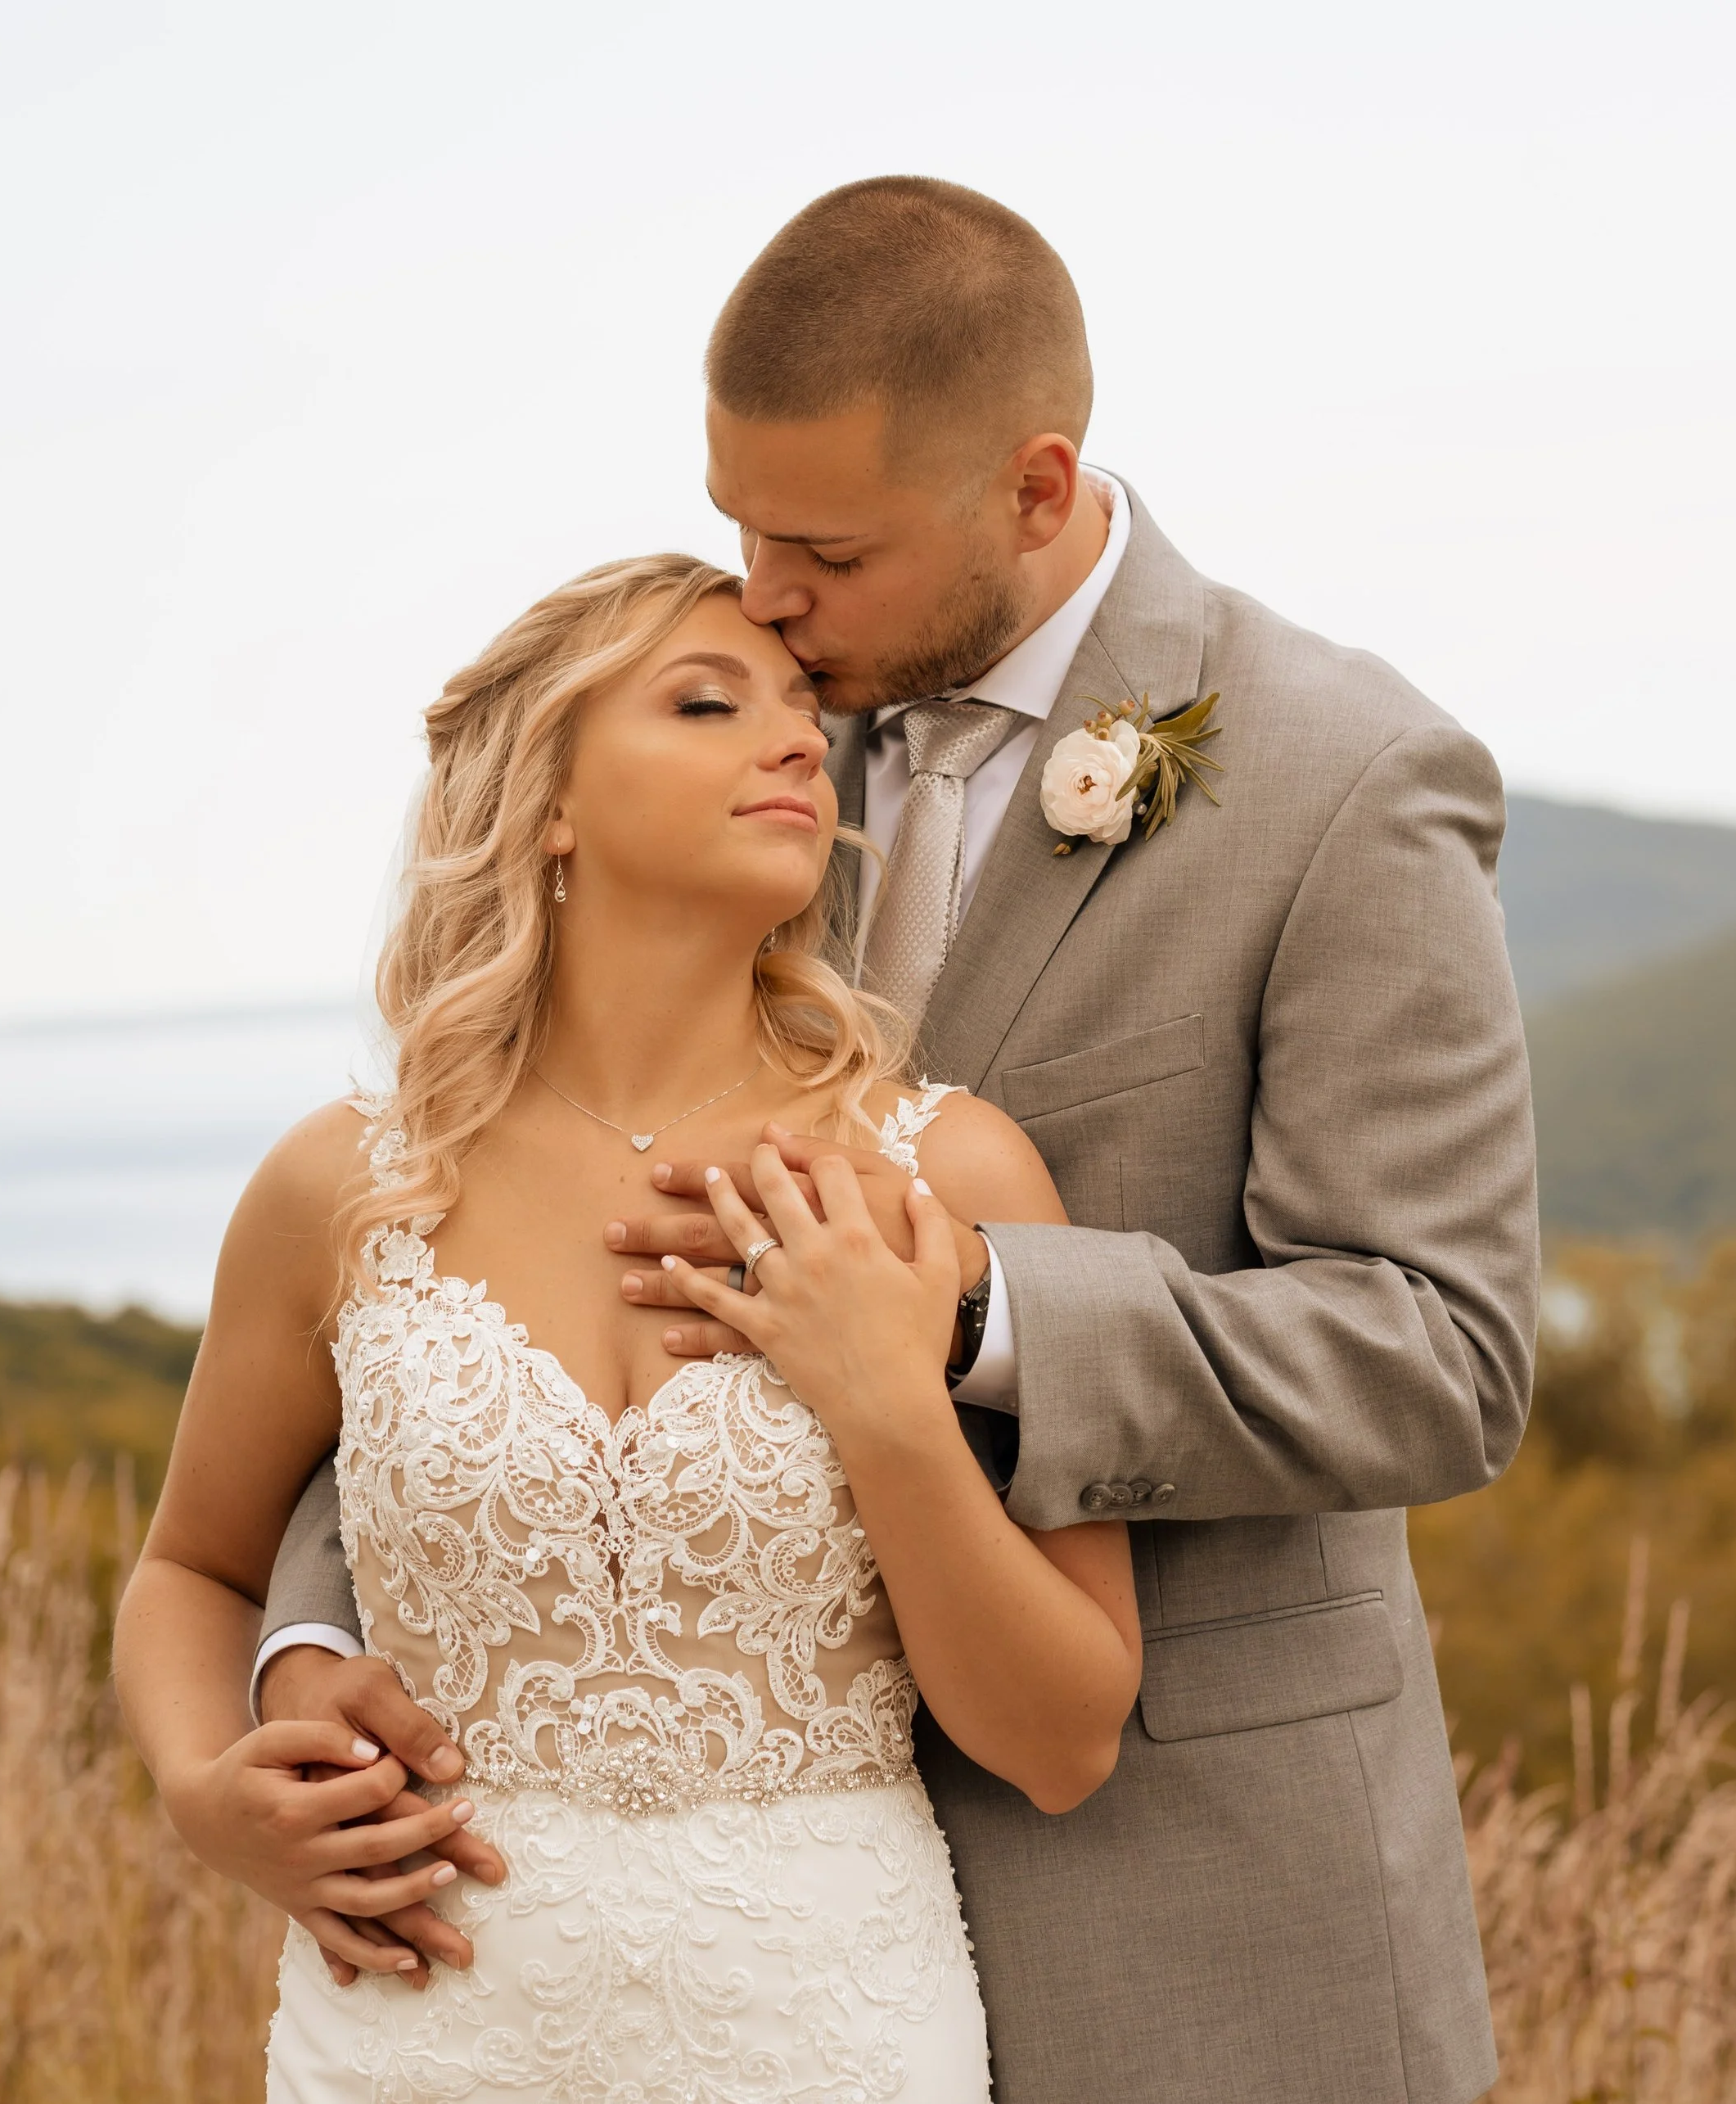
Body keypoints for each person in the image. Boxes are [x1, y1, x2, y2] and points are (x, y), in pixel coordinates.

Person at [235, 178, 1541, 2102]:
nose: (762, 592)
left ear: (1031, 488)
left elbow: (1444, 1350)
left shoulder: (1342, 778)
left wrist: (968, 1315)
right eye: (737, 526)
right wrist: (299, 1650)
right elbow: (483, 1298)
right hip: (733, 1939)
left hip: (1196, 1895)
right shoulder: (758, 737)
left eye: (820, 547)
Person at [113, 553, 1144, 2102]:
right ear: (551, 803)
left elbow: (1065, 1738)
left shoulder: (944, 1171)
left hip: (829, 2031)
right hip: (416, 2030)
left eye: (803, 710)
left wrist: (883, 1398)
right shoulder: (344, 1185)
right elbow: (193, 1567)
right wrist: (210, 1794)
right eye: (709, 702)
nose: (798, 741)